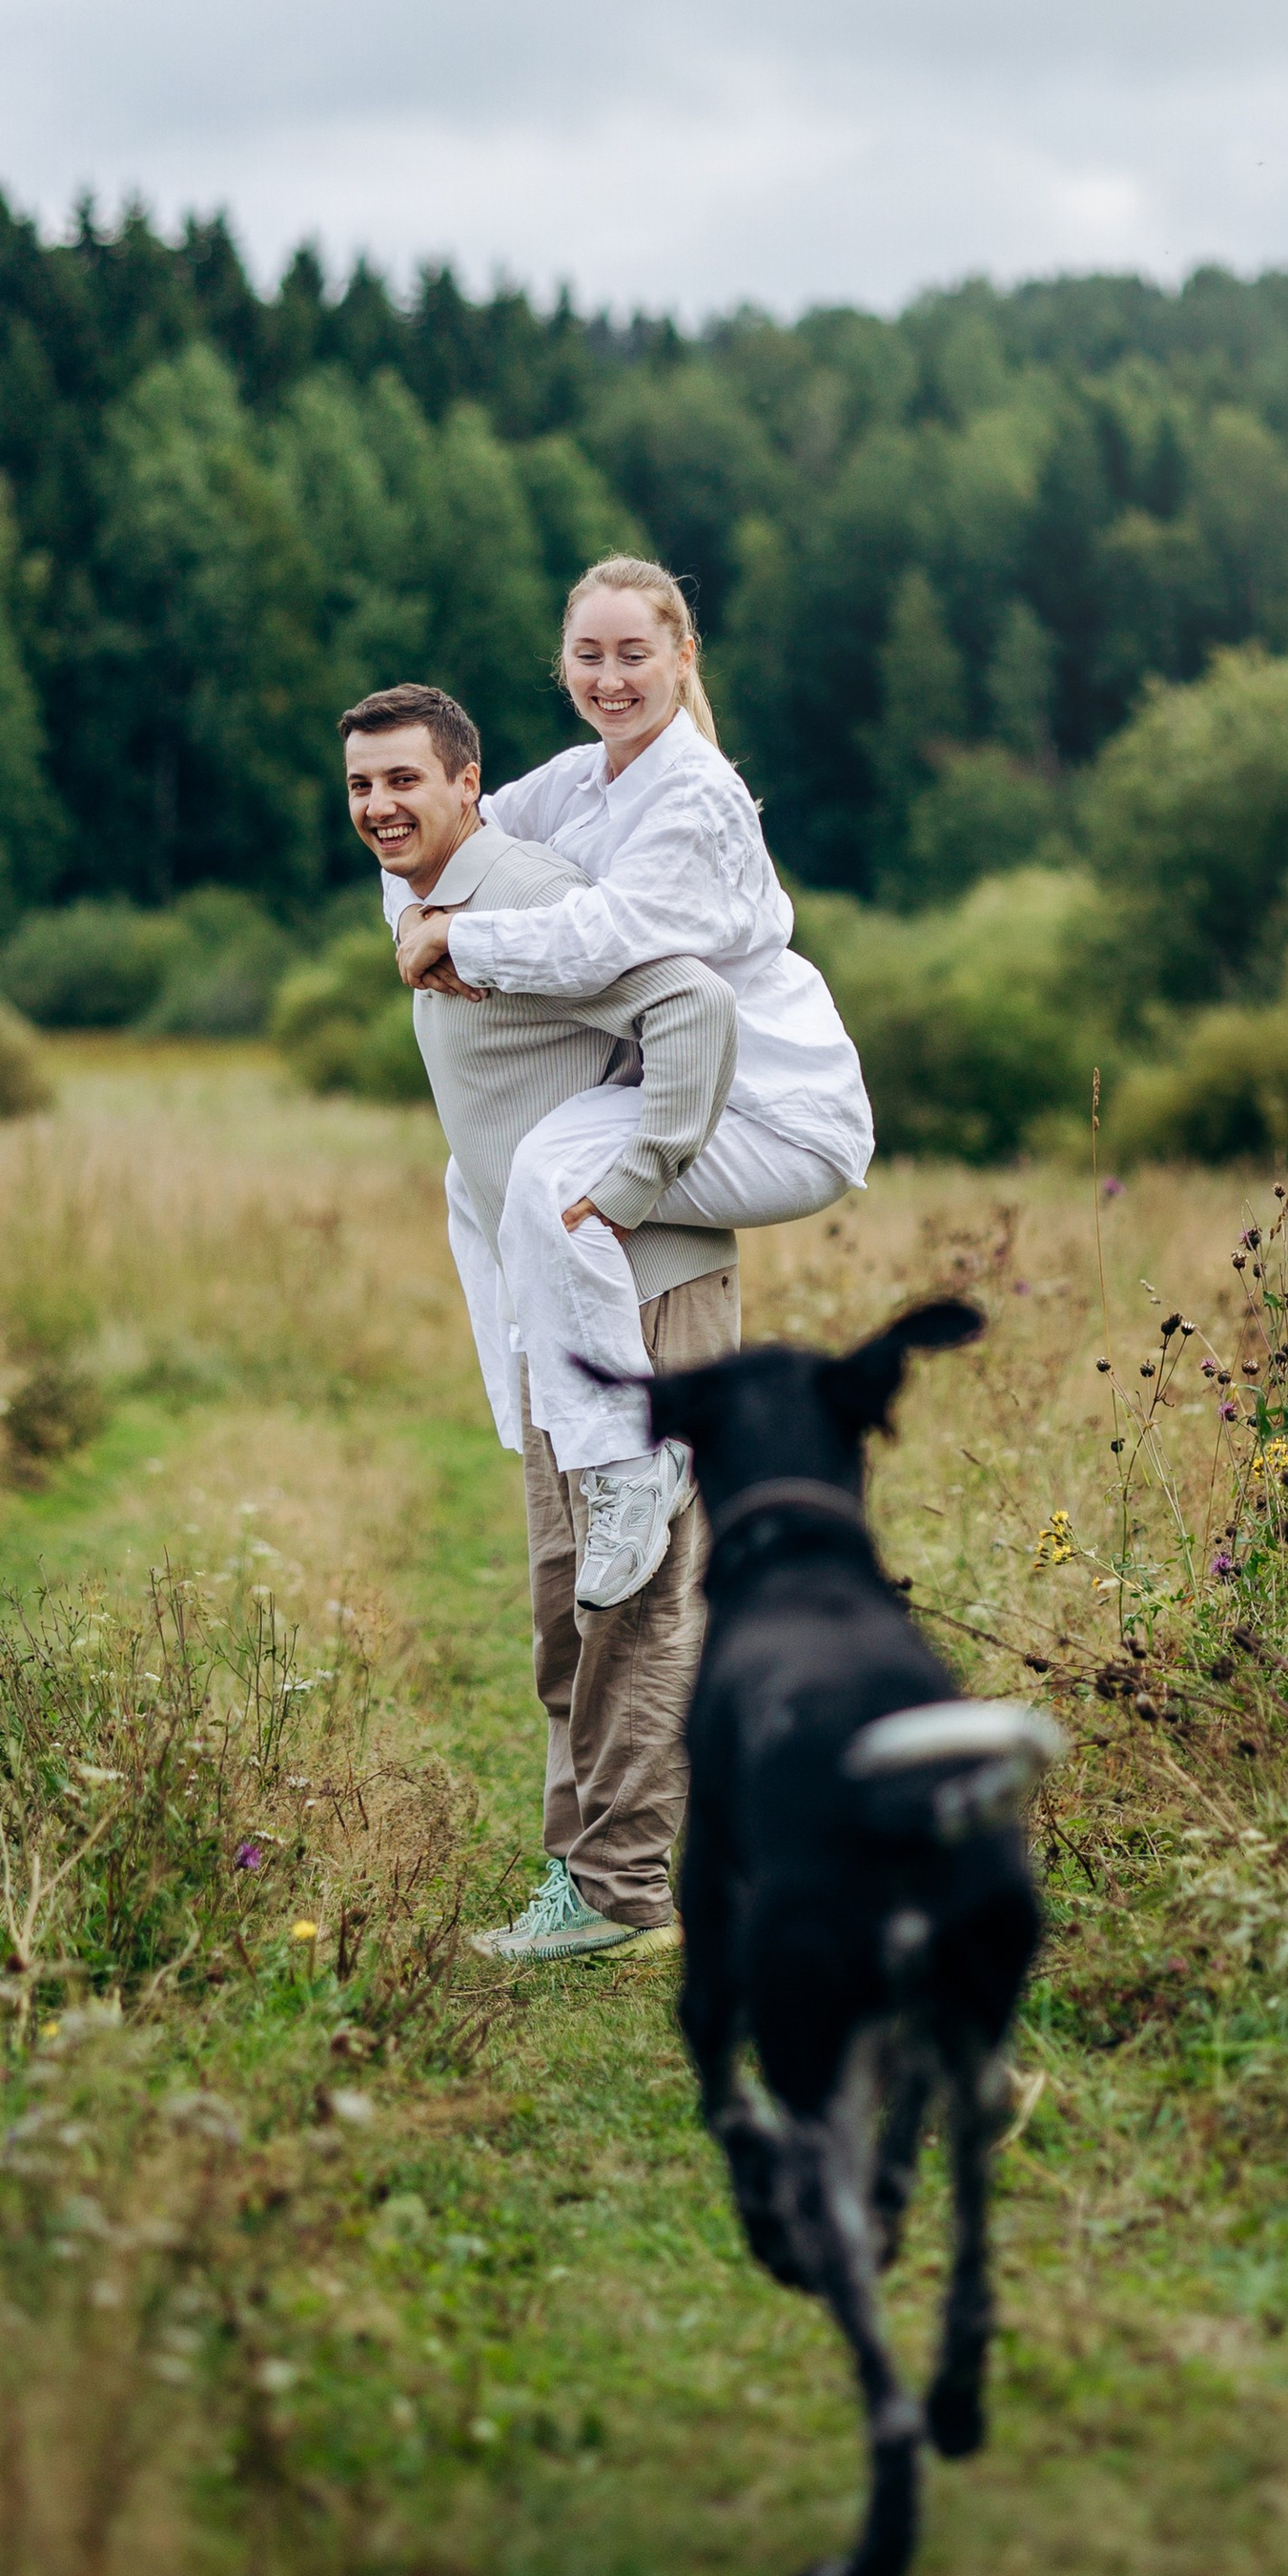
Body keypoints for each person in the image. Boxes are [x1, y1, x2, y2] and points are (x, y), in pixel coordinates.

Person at [340, 681, 738, 1960]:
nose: (379, 807)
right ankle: (588, 1879)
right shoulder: (434, 903)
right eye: (360, 787)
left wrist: (626, 1189)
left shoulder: (519, 892)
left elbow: (691, 1008)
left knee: (640, 1593)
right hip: (562, 1300)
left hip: (643, 1280)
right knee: (573, 1594)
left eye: (405, 780)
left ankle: (625, 1894)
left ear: (471, 783)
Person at [391, 554, 871, 1609]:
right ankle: (536, 1415)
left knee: (547, 1175)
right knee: (474, 1181)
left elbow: (599, 941)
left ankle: (628, 1463)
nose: (611, 678)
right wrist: (417, 923)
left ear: (680, 659)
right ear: (561, 662)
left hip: (775, 1109)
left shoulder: (692, 792)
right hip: (678, 1083)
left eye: (634, 655)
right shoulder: (578, 776)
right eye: (588, 655)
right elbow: (437, 846)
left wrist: (457, 944)